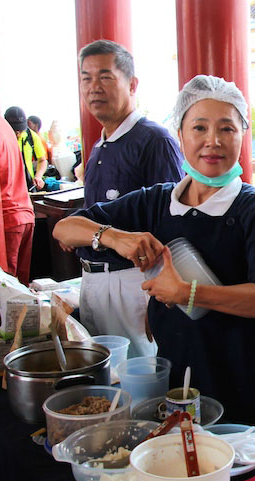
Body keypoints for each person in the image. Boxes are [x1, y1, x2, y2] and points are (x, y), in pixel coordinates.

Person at [53, 75, 255, 453]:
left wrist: (186, 293)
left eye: (226, 128)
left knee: (253, 478)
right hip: (180, 369)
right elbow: (65, 228)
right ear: (180, 134)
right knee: (188, 469)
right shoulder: (156, 202)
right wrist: (115, 237)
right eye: (199, 127)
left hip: (247, 371)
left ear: (242, 135)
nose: (212, 140)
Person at [75, 39, 184, 358]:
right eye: (86, 78)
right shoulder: (99, 146)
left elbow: (174, 224)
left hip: (134, 284)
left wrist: (160, 300)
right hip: (93, 281)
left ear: (132, 84)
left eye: (105, 77)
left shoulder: (154, 140)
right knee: (106, 378)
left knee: (141, 376)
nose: (94, 87)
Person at [0, 113, 35, 284]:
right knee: (20, 287)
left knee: (5, 287)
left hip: (7, 217)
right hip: (24, 213)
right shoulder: (2, 125)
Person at [4, 106, 47, 191]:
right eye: (14, 130)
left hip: (28, 186)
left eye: (20, 130)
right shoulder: (0, 138)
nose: (18, 134)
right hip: (8, 188)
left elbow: (42, 160)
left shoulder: (31, 136)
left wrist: (38, 176)